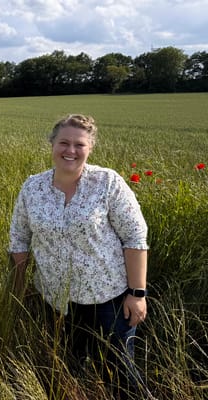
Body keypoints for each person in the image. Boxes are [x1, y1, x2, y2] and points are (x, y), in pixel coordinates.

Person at [8, 114, 150, 398]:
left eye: (79, 144)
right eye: (64, 142)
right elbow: (19, 238)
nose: (70, 150)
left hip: (109, 298)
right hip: (56, 300)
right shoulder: (32, 187)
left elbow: (134, 237)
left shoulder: (107, 183)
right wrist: (19, 286)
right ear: (52, 144)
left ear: (90, 148)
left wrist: (137, 293)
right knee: (66, 366)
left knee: (119, 369)